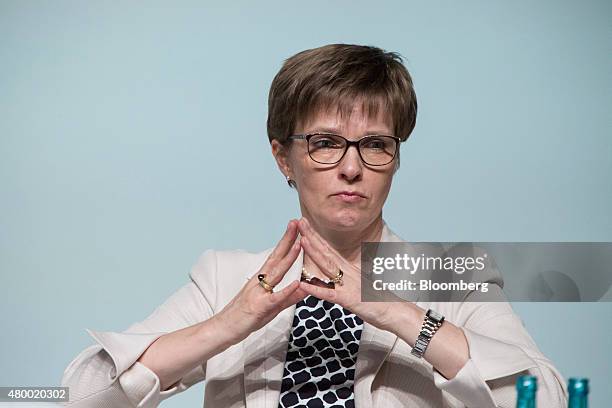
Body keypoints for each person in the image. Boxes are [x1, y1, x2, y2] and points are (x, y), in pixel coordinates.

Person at [61, 43, 567, 408]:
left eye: (374, 144)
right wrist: (227, 325)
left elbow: (545, 398)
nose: (351, 168)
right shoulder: (226, 277)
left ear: (394, 158)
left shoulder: (448, 274)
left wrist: (398, 313)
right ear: (284, 158)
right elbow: (77, 397)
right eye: (325, 143)